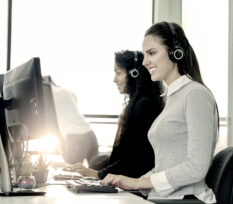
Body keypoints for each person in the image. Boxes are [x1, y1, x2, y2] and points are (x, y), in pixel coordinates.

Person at [100, 22, 219, 204]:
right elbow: (165, 166)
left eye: (152, 53)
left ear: (175, 52)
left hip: (185, 199)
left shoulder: (195, 94)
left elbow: (196, 167)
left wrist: (138, 182)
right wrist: (132, 182)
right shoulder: (173, 98)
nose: (144, 62)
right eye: (145, 54)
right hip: (167, 198)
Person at [67, 50, 164, 180]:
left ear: (134, 74)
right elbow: (123, 155)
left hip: (136, 182)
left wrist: (97, 174)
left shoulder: (145, 105)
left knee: (96, 163)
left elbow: (135, 158)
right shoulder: (137, 103)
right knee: (96, 161)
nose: (114, 80)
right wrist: (88, 169)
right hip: (129, 175)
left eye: (118, 73)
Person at [43, 76, 99, 165]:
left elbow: (52, 123)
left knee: (71, 175)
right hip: (90, 134)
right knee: (95, 174)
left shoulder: (47, 95)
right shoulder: (68, 92)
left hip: (75, 137)